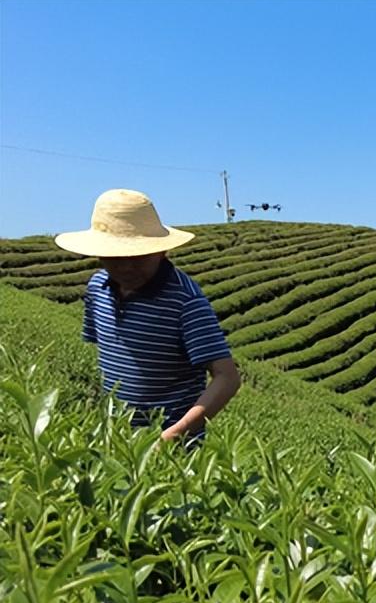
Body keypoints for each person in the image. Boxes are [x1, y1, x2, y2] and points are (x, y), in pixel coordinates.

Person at [55, 189, 241, 441]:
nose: (126, 266)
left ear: (162, 251)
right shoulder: (97, 289)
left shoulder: (185, 300)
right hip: (116, 439)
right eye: (115, 257)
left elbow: (227, 377)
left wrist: (174, 435)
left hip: (172, 448)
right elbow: (111, 357)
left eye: (138, 256)